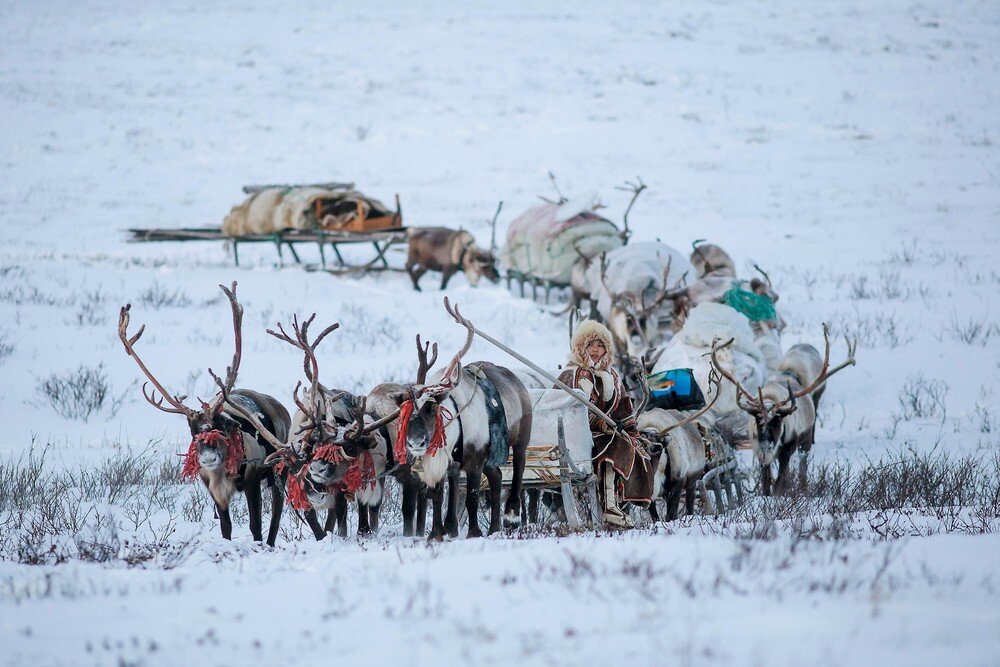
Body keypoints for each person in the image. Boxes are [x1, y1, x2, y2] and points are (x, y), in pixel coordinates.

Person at [557, 319, 653, 528]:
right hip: (576, 437)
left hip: (605, 434)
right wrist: (600, 424)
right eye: (590, 344)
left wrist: (632, 432)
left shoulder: (613, 376)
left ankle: (616, 502)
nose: (595, 350)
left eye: (600, 346)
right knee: (615, 444)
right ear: (580, 346)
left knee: (635, 447)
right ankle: (609, 507)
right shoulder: (571, 373)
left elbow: (624, 407)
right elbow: (569, 410)